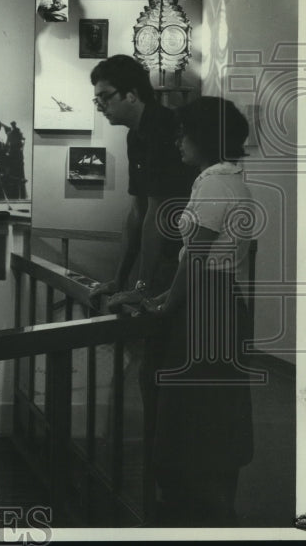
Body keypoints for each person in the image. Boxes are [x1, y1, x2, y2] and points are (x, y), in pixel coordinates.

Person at [141, 96, 255, 525]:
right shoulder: (231, 179)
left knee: (195, 408)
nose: (177, 142)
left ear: (203, 136)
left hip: (206, 305)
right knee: (210, 408)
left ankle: (194, 511)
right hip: (219, 299)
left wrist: (166, 304)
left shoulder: (214, 181)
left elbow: (196, 255)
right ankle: (208, 507)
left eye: (183, 132)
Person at [89, 55, 195, 304]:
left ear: (132, 94)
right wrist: (119, 279)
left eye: (105, 96)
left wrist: (142, 287)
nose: (99, 105)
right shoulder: (135, 135)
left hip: (185, 260)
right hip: (166, 258)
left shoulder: (163, 127)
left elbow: (156, 212)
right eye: (97, 99)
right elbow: (138, 211)